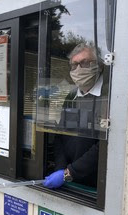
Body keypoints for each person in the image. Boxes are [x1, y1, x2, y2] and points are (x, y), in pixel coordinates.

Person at [43, 43, 109, 189]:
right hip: (68, 180)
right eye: (74, 65)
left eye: (84, 63)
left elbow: (104, 144)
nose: (78, 69)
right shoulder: (71, 96)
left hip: (93, 187)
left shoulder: (108, 97)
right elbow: (60, 135)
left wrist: (70, 172)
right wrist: (61, 168)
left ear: (100, 65)